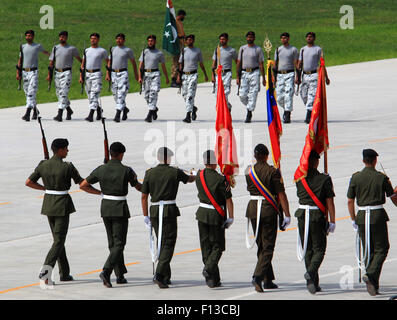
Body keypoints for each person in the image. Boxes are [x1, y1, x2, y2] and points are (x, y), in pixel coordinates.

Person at [79, 142, 142, 288]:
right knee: (119, 243)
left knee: (113, 244)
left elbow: (83, 185)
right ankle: (106, 271)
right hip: (119, 208)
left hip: (106, 207)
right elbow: (139, 187)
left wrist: (99, 192)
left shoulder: (101, 169)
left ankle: (119, 275)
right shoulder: (126, 170)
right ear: (121, 154)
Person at [25, 138, 83, 284]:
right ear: (61, 150)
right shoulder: (67, 166)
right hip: (62, 205)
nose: (68, 151)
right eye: (66, 148)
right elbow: (81, 182)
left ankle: (64, 273)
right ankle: (46, 272)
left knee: (58, 240)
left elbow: (29, 182)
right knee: (59, 240)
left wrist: (44, 188)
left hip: (49, 204)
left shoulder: (43, 164)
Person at [141, 147, 195, 288]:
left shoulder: (150, 173)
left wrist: (145, 215)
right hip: (168, 211)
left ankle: (165, 275)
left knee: (162, 242)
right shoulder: (174, 171)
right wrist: (196, 174)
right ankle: (159, 274)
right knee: (169, 242)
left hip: (154, 211)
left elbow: (144, 196)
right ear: (168, 158)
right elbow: (189, 179)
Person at [347, 149, 397, 296]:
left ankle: (373, 283)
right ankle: (371, 275)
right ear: (375, 160)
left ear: (364, 160)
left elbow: (350, 200)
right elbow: (393, 198)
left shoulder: (355, 177)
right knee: (382, 248)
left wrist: (352, 219)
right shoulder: (381, 178)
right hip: (377, 216)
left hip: (362, 217)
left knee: (368, 249)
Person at [245, 144, 290, 292]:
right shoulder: (273, 172)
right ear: (266, 155)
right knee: (268, 246)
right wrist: (287, 214)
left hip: (253, 209)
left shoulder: (248, 171)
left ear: (255, 156)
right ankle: (257, 276)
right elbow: (281, 194)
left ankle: (267, 279)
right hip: (268, 210)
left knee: (261, 245)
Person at [295, 150, 336, 294]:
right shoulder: (324, 179)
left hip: (302, 216)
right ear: (317, 161)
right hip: (316, 217)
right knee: (319, 249)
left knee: (308, 249)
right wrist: (332, 220)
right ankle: (311, 272)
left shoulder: (299, 178)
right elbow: (329, 201)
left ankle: (312, 283)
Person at [195, 150, 234, 288]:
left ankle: (213, 279)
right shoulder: (220, 179)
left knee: (206, 247)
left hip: (201, 214)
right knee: (218, 246)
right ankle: (209, 269)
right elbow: (228, 199)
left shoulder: (199, 175)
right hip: (215, 216)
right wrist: (231, 217)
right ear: (215, 162)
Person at [48, 31, 82, 122]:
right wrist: (49, 74)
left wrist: (85, 65)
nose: (61, 38)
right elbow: (51, 61)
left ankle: (60, 114)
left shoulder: (72, 49)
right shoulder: (55, 48)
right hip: (57, 72)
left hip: (66, 72)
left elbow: (80, 59)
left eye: (63, 37)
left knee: (63, 92)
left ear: (66, 37)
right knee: (59, 93)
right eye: (60, 37)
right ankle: (69, 110)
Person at [297, 32, 330, 124]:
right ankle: (313, 109)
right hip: (304, 75)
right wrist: (297, 76)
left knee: (312, 95)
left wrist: (326, 77)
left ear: (314, 38)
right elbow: (299, 63)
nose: (309, 38)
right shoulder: (303, 49)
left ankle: (309, 115)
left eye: (311, 37)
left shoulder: (318, 49)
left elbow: (322, 64)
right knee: (303, 95)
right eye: (307, 37)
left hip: (314, 75)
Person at [17, 30, 50, 121]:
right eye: (26, 36)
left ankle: (27, 113)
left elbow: (46, 52)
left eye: (30, 36)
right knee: (27, 93)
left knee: (31, 92)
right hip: (24, 72)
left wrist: (53, 58)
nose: (28, 37)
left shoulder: (37, 46)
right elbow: (20, 59)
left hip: (33, 72)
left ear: (33, 36)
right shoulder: (23, 47)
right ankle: (35, 110)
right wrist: (18, 72)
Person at [107, 33, 139, 122]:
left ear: (124, 40)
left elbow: (133, 63)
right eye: (117, 39)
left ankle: (117, 114)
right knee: (115, 95)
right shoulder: (113, 49)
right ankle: (124, 109)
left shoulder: (128, 50)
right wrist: (107, 74)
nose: (118, 40)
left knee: (121, 93)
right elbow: (109, 62)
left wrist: (137, 75)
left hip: (123, 73)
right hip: (113, 73)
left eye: (120, 39)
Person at [178, 34, 209, 123]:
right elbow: (180, 63)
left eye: (191, 40)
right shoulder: (183, 50)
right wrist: (178, 76)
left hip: (193, 75)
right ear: (186, 41)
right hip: (184, 75)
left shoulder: (197, 51)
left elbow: (201, 64)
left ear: (193, 41)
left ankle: (188, 115)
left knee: (190, 94)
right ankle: (193, 108)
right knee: (185, 95)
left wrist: (205, 74)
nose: (189, 41)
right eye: (187, 40)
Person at [139, 35, 170, 123]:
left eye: (152, 41)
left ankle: (149, 115)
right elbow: (140, 66)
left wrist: (167, 77)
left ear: (155, 42)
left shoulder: (159, 53)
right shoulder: (144, 52)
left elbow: (163, 66)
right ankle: (154, 109)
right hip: (146, 74)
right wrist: (140, 77)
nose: (150, 42)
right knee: (146, 95)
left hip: (155, 74)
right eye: (149, 41)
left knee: (153, 93)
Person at [236, 31, 266, 123]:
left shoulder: (258, 49)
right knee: (242, 95)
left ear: (254, 38)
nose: (250, 38)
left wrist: (263, 78)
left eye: (251, 37)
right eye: (248, 37)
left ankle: (249, 113)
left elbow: (261, 64)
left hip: (255, 72)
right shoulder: (242, 48)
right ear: (246, 38)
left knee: (253, 93)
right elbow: (239, 63)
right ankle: (250, 105)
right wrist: (238, 76)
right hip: (244, 72)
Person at [79, 33, 109, 122]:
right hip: (88, 74)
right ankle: (99, 110)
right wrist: (81, 76)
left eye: (95, 39)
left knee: (94, 94)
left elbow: (108, 63)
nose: (93, 40)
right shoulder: (87, 50)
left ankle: (91, 115)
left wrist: (108, 74)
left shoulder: (102, 51)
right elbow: (82, 64)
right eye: (91, 38)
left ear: (98, 40)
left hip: (96, 74)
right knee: (89, 95)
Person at [273, 32, 298, 123]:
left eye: (285, 38)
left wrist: (297, 76)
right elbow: (275, 64)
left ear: (288, 39)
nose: (284, 39)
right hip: (280, 75)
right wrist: (273, 76)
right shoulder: (278, 49)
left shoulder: (293, 49)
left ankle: (287, 113)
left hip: (290, 74)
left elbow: (296, 64)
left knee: (288, 95)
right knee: (279, 97)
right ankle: (286, 108)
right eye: (282, 38)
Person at [211, 33, 238, 110]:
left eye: (223, 39)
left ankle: (224, 109)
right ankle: (227, 106)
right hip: (218, 74)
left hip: (227, 73)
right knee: (217, 95)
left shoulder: (232, 50)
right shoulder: (217, 50)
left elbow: (237, 63)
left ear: (227, 40)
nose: (222, 41)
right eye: (221, 39)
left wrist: (238, 75)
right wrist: (212, 75)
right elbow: (213, 64)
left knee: (225, 93)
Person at [170, 8, 186, 88]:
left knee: (181, 63)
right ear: (181, 15)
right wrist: (181, 36)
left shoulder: (180, 22)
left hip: (181, 45)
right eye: (183, 16)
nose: (184, 18)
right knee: (176, 63)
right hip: (176, 45)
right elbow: (173, 33)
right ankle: (173, 79)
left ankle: (179, 79)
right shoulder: (175, 22)